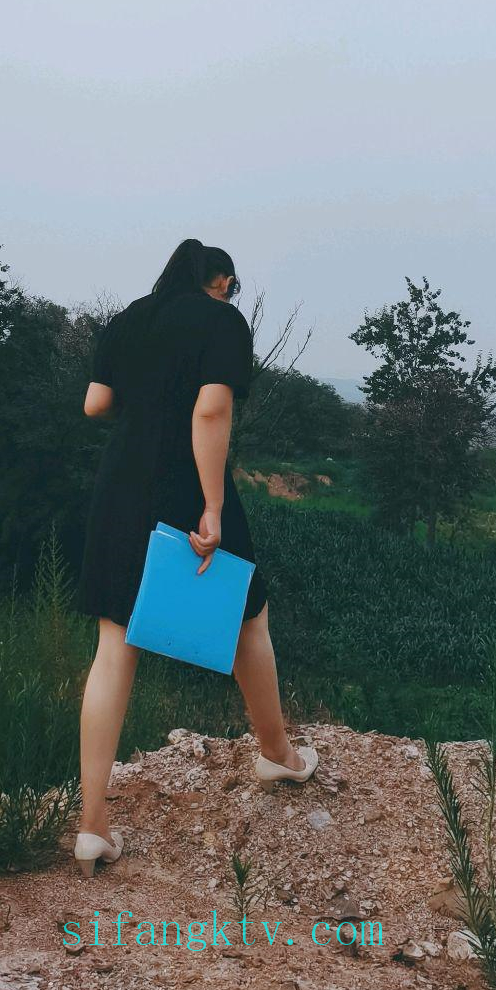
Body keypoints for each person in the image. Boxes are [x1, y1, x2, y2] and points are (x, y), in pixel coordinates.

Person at [73, 237, 318, 877]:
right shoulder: (221, 321)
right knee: (248, 616)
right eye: (230, 287)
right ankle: (278, 755)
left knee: (115, 642)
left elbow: (95, 403)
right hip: (186, 484)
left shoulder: (128, 318)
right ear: (222, 281)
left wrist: (147, 398)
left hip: (120, 485)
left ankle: (93, 826)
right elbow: (211, 410)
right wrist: (212, 505)